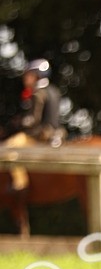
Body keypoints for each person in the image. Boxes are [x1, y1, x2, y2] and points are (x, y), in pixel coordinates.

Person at [3, 59, 64, 190]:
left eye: (28, 75)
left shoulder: (38, 93)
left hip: (40, 135)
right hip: (57, 133)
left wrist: (16, 123)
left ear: (37, 76)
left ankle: (20, 183)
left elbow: (32, 120)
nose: (25, 79)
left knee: (9, 147)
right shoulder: (54, 90)